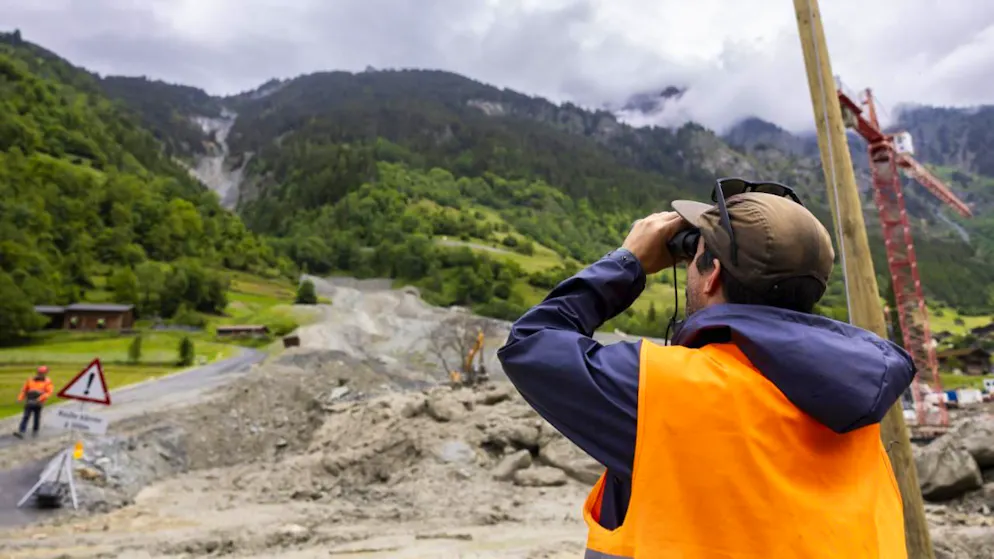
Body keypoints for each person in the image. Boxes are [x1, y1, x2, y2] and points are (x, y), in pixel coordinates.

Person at [497, 179, 915, 559]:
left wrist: (629, 262)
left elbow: (531, 341)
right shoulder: (858, 400)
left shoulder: (669, 391)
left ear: (712, 274)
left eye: (695, 253)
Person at [14, 365, 54, 439]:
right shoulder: (30, 380)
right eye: (39, 372)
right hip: (29, 401)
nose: (40, 374)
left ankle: (35, 430)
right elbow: (24, 390)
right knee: (26, 416)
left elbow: (48, 393)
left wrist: (39, 399)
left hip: (39, 403)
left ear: (45, 373)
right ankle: (21, 431)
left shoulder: (48, 382)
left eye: (42, 373)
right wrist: (20, 398)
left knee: (37, 417)